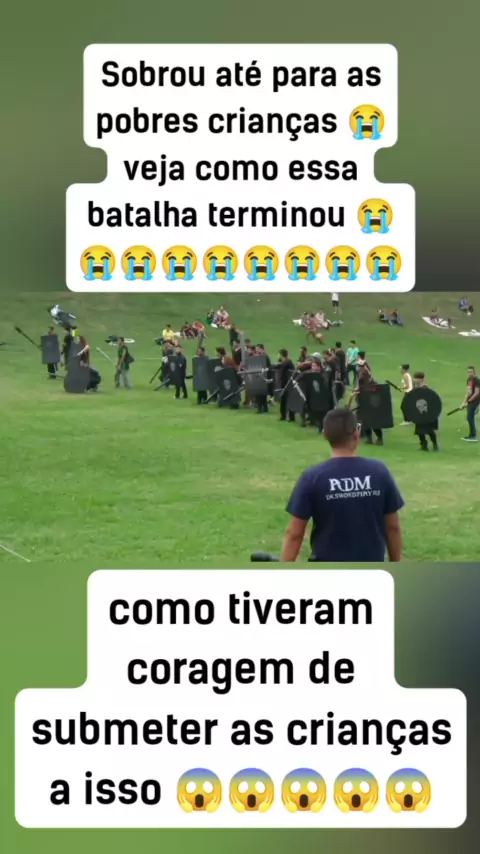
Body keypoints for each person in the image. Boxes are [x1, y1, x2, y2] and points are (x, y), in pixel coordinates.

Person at [281, 408, 404, 562]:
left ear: (325, 435)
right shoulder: (379, 472)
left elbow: (295, 534)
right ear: (356, 434)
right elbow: (392, 527)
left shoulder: (313, 477)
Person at [413, 372, 439, 451]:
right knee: (419, 430)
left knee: (429, 429)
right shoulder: (416, 387)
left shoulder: (424, 388)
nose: (415, 380)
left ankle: (435, 445)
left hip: (426, 412)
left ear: (421, 379)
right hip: (419, 411)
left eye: (416, 378)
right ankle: (424, 445)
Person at [461, 366, 480, 442]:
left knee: (470, 417)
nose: (469, 373)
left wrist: (468, 402)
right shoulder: (469, 380)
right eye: (468, 372)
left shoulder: (477, 380)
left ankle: (473, 436)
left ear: (474, 372)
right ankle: (472, 435)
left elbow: (476, 393)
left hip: (475, 401)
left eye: (471, 372)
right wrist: (463, 403)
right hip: (470, 401)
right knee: (469, 418)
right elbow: (468, 392)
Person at [277, 349, 296, 422]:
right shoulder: (285, 362)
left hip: (288, 384)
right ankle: (283, 416)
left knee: (289, 400)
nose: (278, 356)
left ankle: (291, 417)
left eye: (278, 354)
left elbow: (280, 366)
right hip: (284, 384)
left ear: (281, 355)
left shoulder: (287, 362)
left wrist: (271, 367)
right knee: (283, 400)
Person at [254, 344, 271, 414]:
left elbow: (269, 367)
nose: (256, 350)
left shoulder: (265, 357)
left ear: (262, 349)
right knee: (260, 393)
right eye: (256, 349)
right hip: (258, 376)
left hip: (263, 377)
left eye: (257, 349)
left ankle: (261, 408)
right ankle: (264, 408)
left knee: (262, 394)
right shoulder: (257, 357)